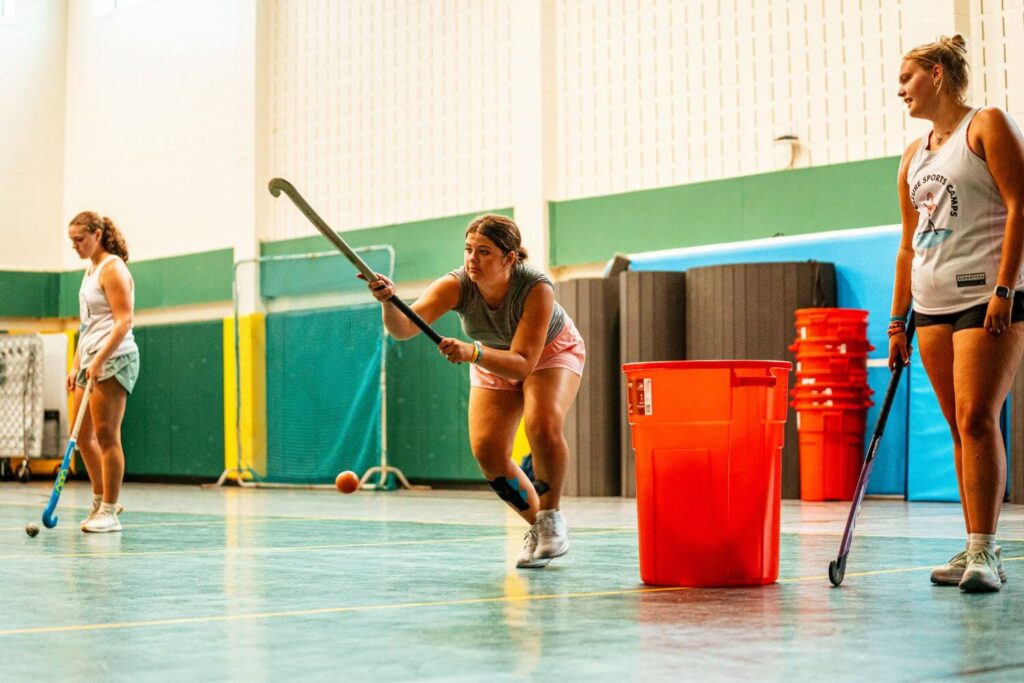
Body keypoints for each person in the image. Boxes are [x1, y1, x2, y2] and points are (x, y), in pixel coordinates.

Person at [362, 214, 585, 568]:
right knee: (488, 452)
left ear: (509, 258)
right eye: (468, 249)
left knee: (542, 423)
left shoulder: (536, 287)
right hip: (490, 357)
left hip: (548, 353)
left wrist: (473, 352)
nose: (471, 259)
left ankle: (552, 516)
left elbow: (524, 363)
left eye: (484, 252)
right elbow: (403, 328)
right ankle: (538, 527)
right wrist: (389, 302)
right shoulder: (457, 284)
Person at [890, 35, 1024, 591]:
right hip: (931, 304)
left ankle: (987, 554)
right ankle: (973, 545)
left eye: (907, 78)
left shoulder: (986, 125)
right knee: (956, 426)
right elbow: (907, 242)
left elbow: (1020, 206)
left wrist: (1005, 288)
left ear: (938, 73)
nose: (899, 90)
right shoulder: (912, 154)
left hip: (984, 297)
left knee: (976, 418)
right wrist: (898, 321)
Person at [66, 211, 139, 533]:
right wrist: (76, 362)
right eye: (72, 241)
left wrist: (99, 360)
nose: (75, 246)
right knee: (82, 436)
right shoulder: (90, 270)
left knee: (107, 436)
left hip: (115, 358)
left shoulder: (113, 269)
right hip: (90, 358)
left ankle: (110, 510)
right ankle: (99, 499)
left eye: (79, 239)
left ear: (97, 234)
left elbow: (124, 322)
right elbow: (88, 325)